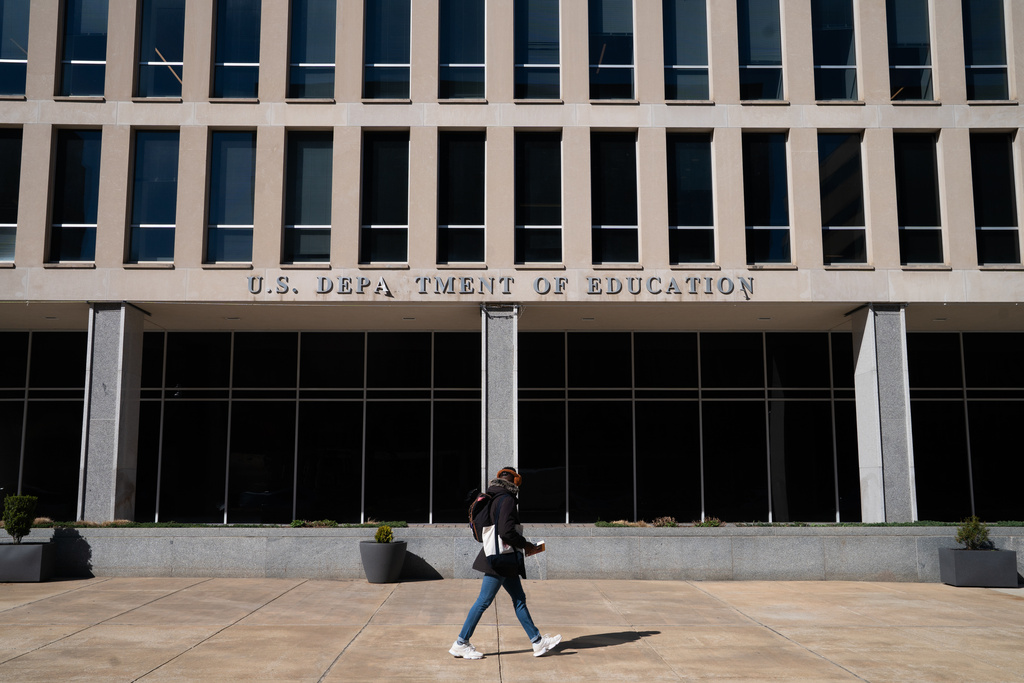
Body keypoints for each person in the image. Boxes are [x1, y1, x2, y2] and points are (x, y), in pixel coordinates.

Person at [449, 466, 561, 660]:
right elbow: (506, 531)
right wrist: (526, 545)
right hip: (501, 559)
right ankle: (461, 643)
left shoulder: (493, 496)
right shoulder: (507, 499)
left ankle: (537, 642)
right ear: (514, 483)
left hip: (500, 557)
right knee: (484, 601)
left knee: (519, 599)